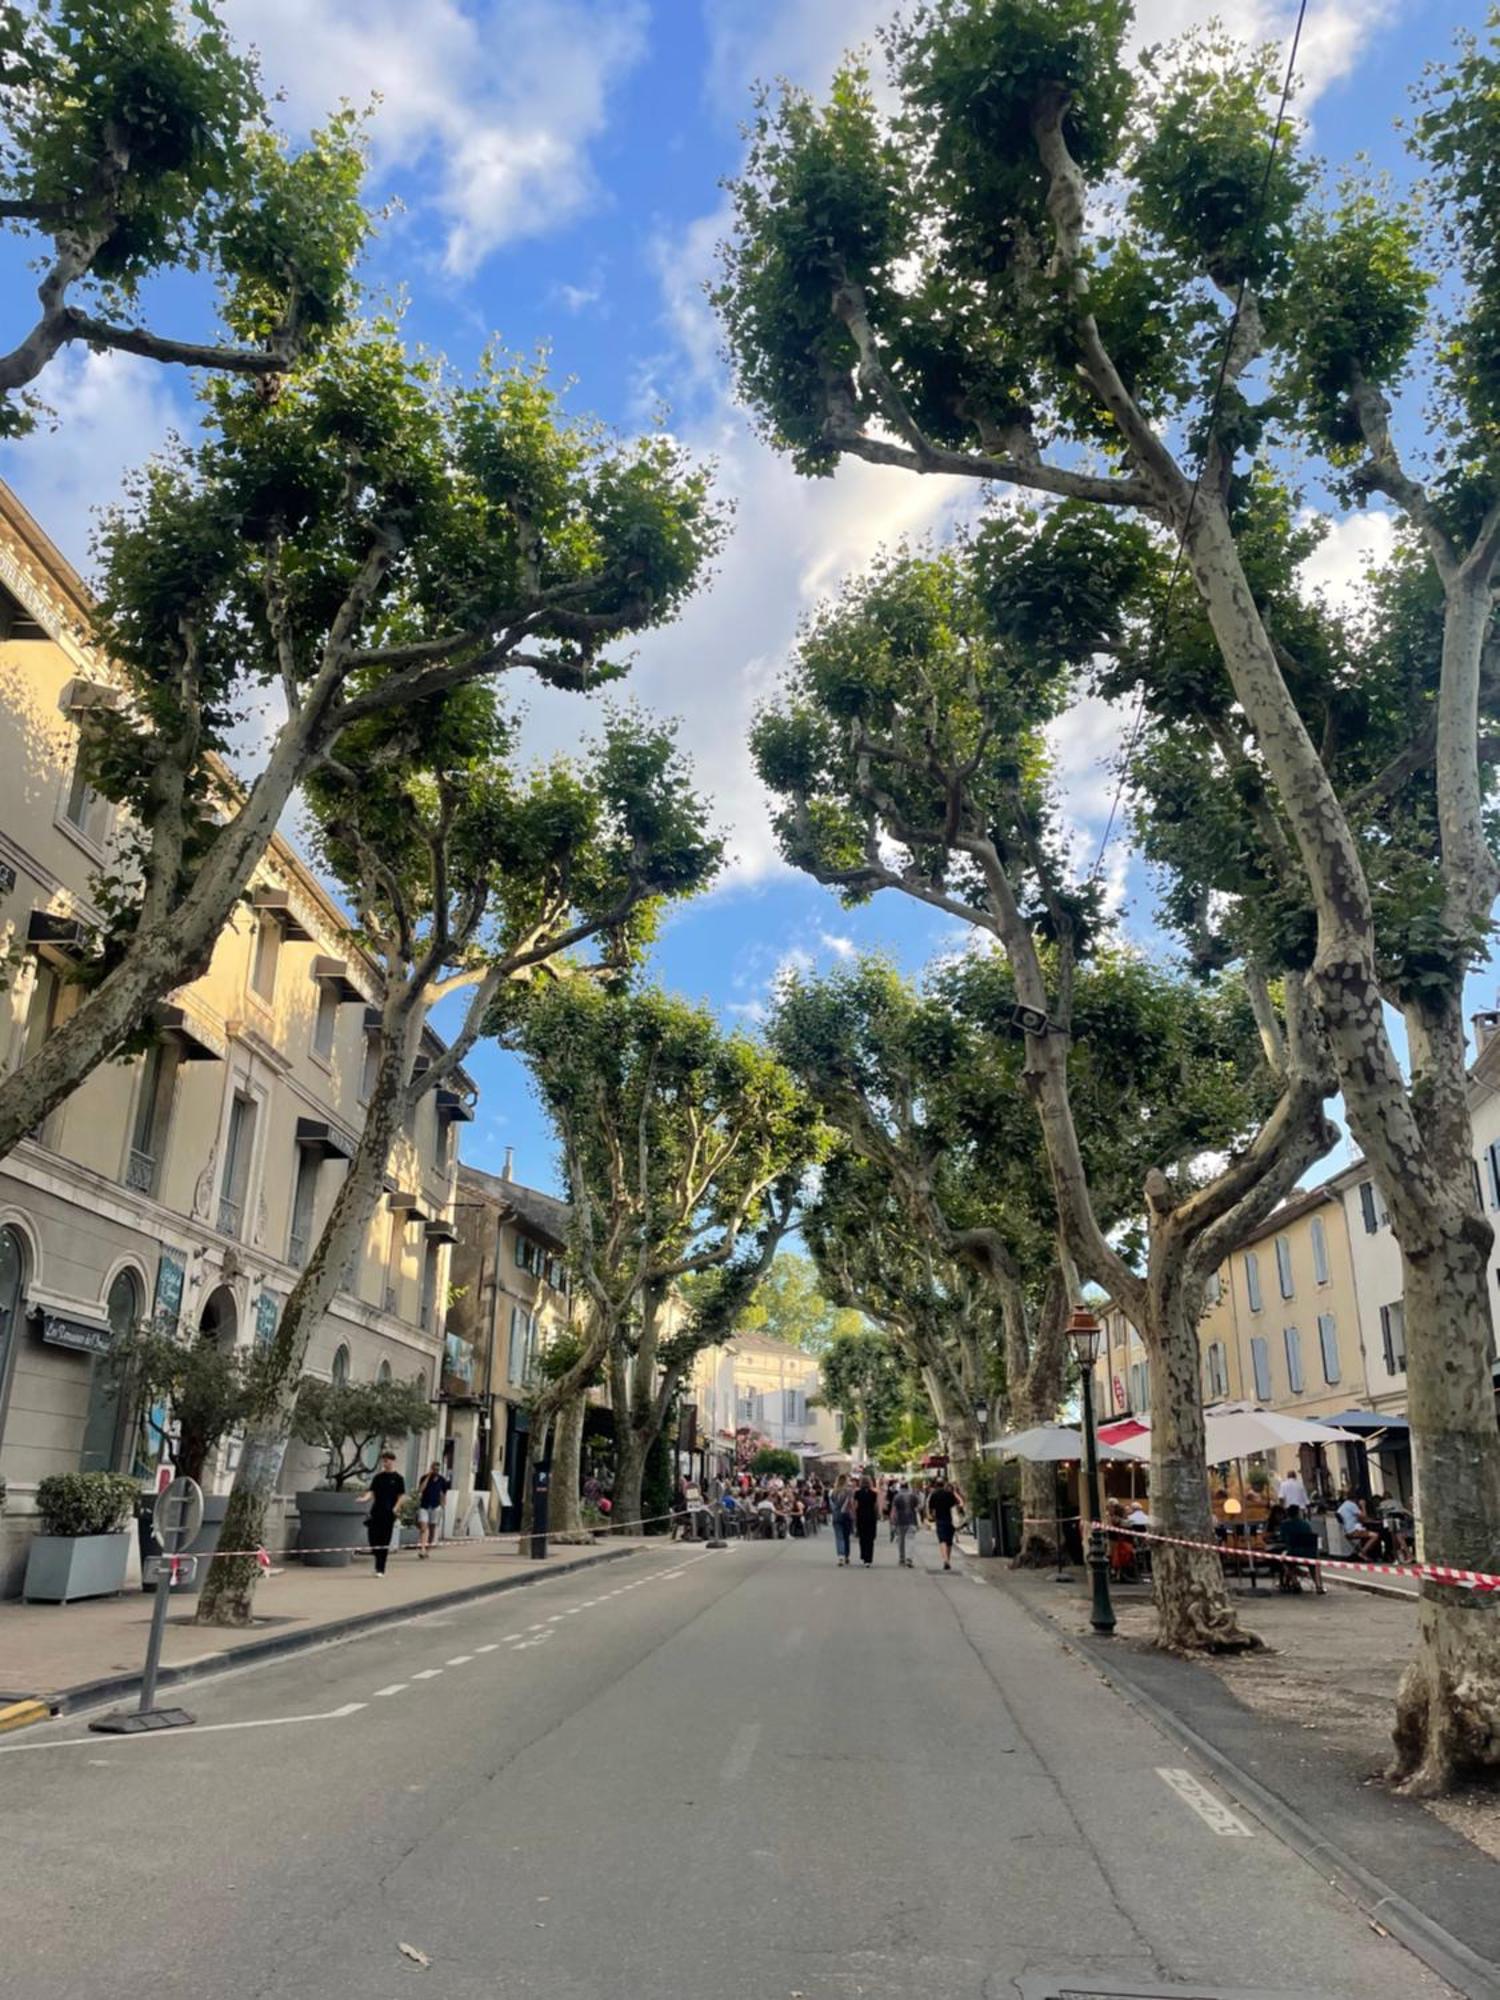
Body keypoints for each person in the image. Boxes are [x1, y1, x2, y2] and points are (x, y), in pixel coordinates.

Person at [365, 1450, 406, 1577]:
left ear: (392, 1461)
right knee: (373, 1537)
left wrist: (396, 1508)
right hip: (376, 1511)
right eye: (384, 1460)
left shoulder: (398, 1479)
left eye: (387, 1460)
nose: (385, 1463)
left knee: (384, 1540)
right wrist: (365, 1498)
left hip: (389, 1513)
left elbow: (402, 1496)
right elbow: (371, 1491)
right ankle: (376, 1557)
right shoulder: (378, 1477)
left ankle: (380, 1568)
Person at [415, 1460, 449, 1559]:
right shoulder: (424, 1478)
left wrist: (443, 1505)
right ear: (431, 1468)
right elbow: (420, 1490)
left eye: (437, 1469)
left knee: (432, 1528)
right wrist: (428, 1477)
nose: (435, 1471)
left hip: (435, 1506)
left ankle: (427, 1549)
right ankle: (422, 1548)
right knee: (423, 1527)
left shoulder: (442, 1480)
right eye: (434, 1469)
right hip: (424, 1506)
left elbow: (443, 1494)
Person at [926, 1474, 960, 1571]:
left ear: (936, 1485)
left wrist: (931, 1517)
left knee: (942, 1540)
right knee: (949, 1541)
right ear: (944, 1484)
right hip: (950, 1520)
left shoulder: (934, 1494)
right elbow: (957, 1504)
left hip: (939, 1519)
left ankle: (945, 1560)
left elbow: (931, 1508)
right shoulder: (949, 1494)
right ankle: (947, 1559)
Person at [1336, 1489, 1381, 1560]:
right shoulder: (1352, 1505)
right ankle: (1362, 1553)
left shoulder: (1343, 1505)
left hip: (1346, 1531)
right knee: (1375, 1535)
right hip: (1354, 1531)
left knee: (1366, 1533)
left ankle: (1362, 1553)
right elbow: (1364, 1516)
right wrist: (1363, 1506)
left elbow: (1359, 1518)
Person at [890, 1479, 919, 1567]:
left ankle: (902, 1558)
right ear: (908, 1486)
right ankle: (909, 1558)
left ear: (900, 1487)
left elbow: (893, 1511)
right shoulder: (913, 1496)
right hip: (912, 1520)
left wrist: (892, 1521)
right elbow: (918, 1507)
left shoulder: (897, 1496)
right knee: (911, 1539)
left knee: (901, 1540)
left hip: (900, 1521)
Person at [853, 1472, 880, 1566]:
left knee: (862, 1537)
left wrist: (854, 1516)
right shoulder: (874, 1494)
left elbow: (855, 1506)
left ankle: (864, 1555)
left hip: (861, 1516)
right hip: (871, 1517)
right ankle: (869, 1558)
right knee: (870, 1538)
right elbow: (876, 1506)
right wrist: (877, 1515)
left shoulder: (857, 1493)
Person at [830, 1473, 853, 1565]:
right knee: (846, 1537)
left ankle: (840, 1556)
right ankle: (847, 1556)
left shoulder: (833, 1492)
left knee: (839, 1537)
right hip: (846, 1515)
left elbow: (832, 1504)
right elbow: (850, 1504)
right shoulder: (849, 1491)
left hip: (836, 1515)